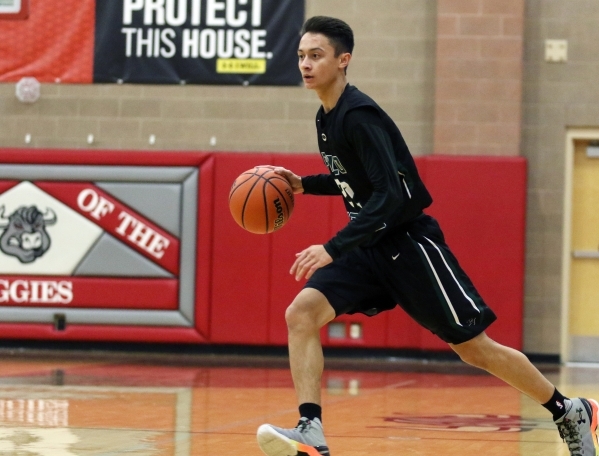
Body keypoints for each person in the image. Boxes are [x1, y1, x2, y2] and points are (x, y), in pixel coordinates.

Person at [256, 15, 598, 456]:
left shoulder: (360, 115)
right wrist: (306, 184)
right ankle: (311, 429)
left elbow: (393, 195)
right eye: (301, 55)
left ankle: (568, 410)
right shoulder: (326, 117)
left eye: (316, 55)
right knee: (301, 314)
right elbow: (354, 181)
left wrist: (332, 246)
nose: (305, 64)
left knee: (475, 349)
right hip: (369, 246)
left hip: (407, 244)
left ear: (344, 60)